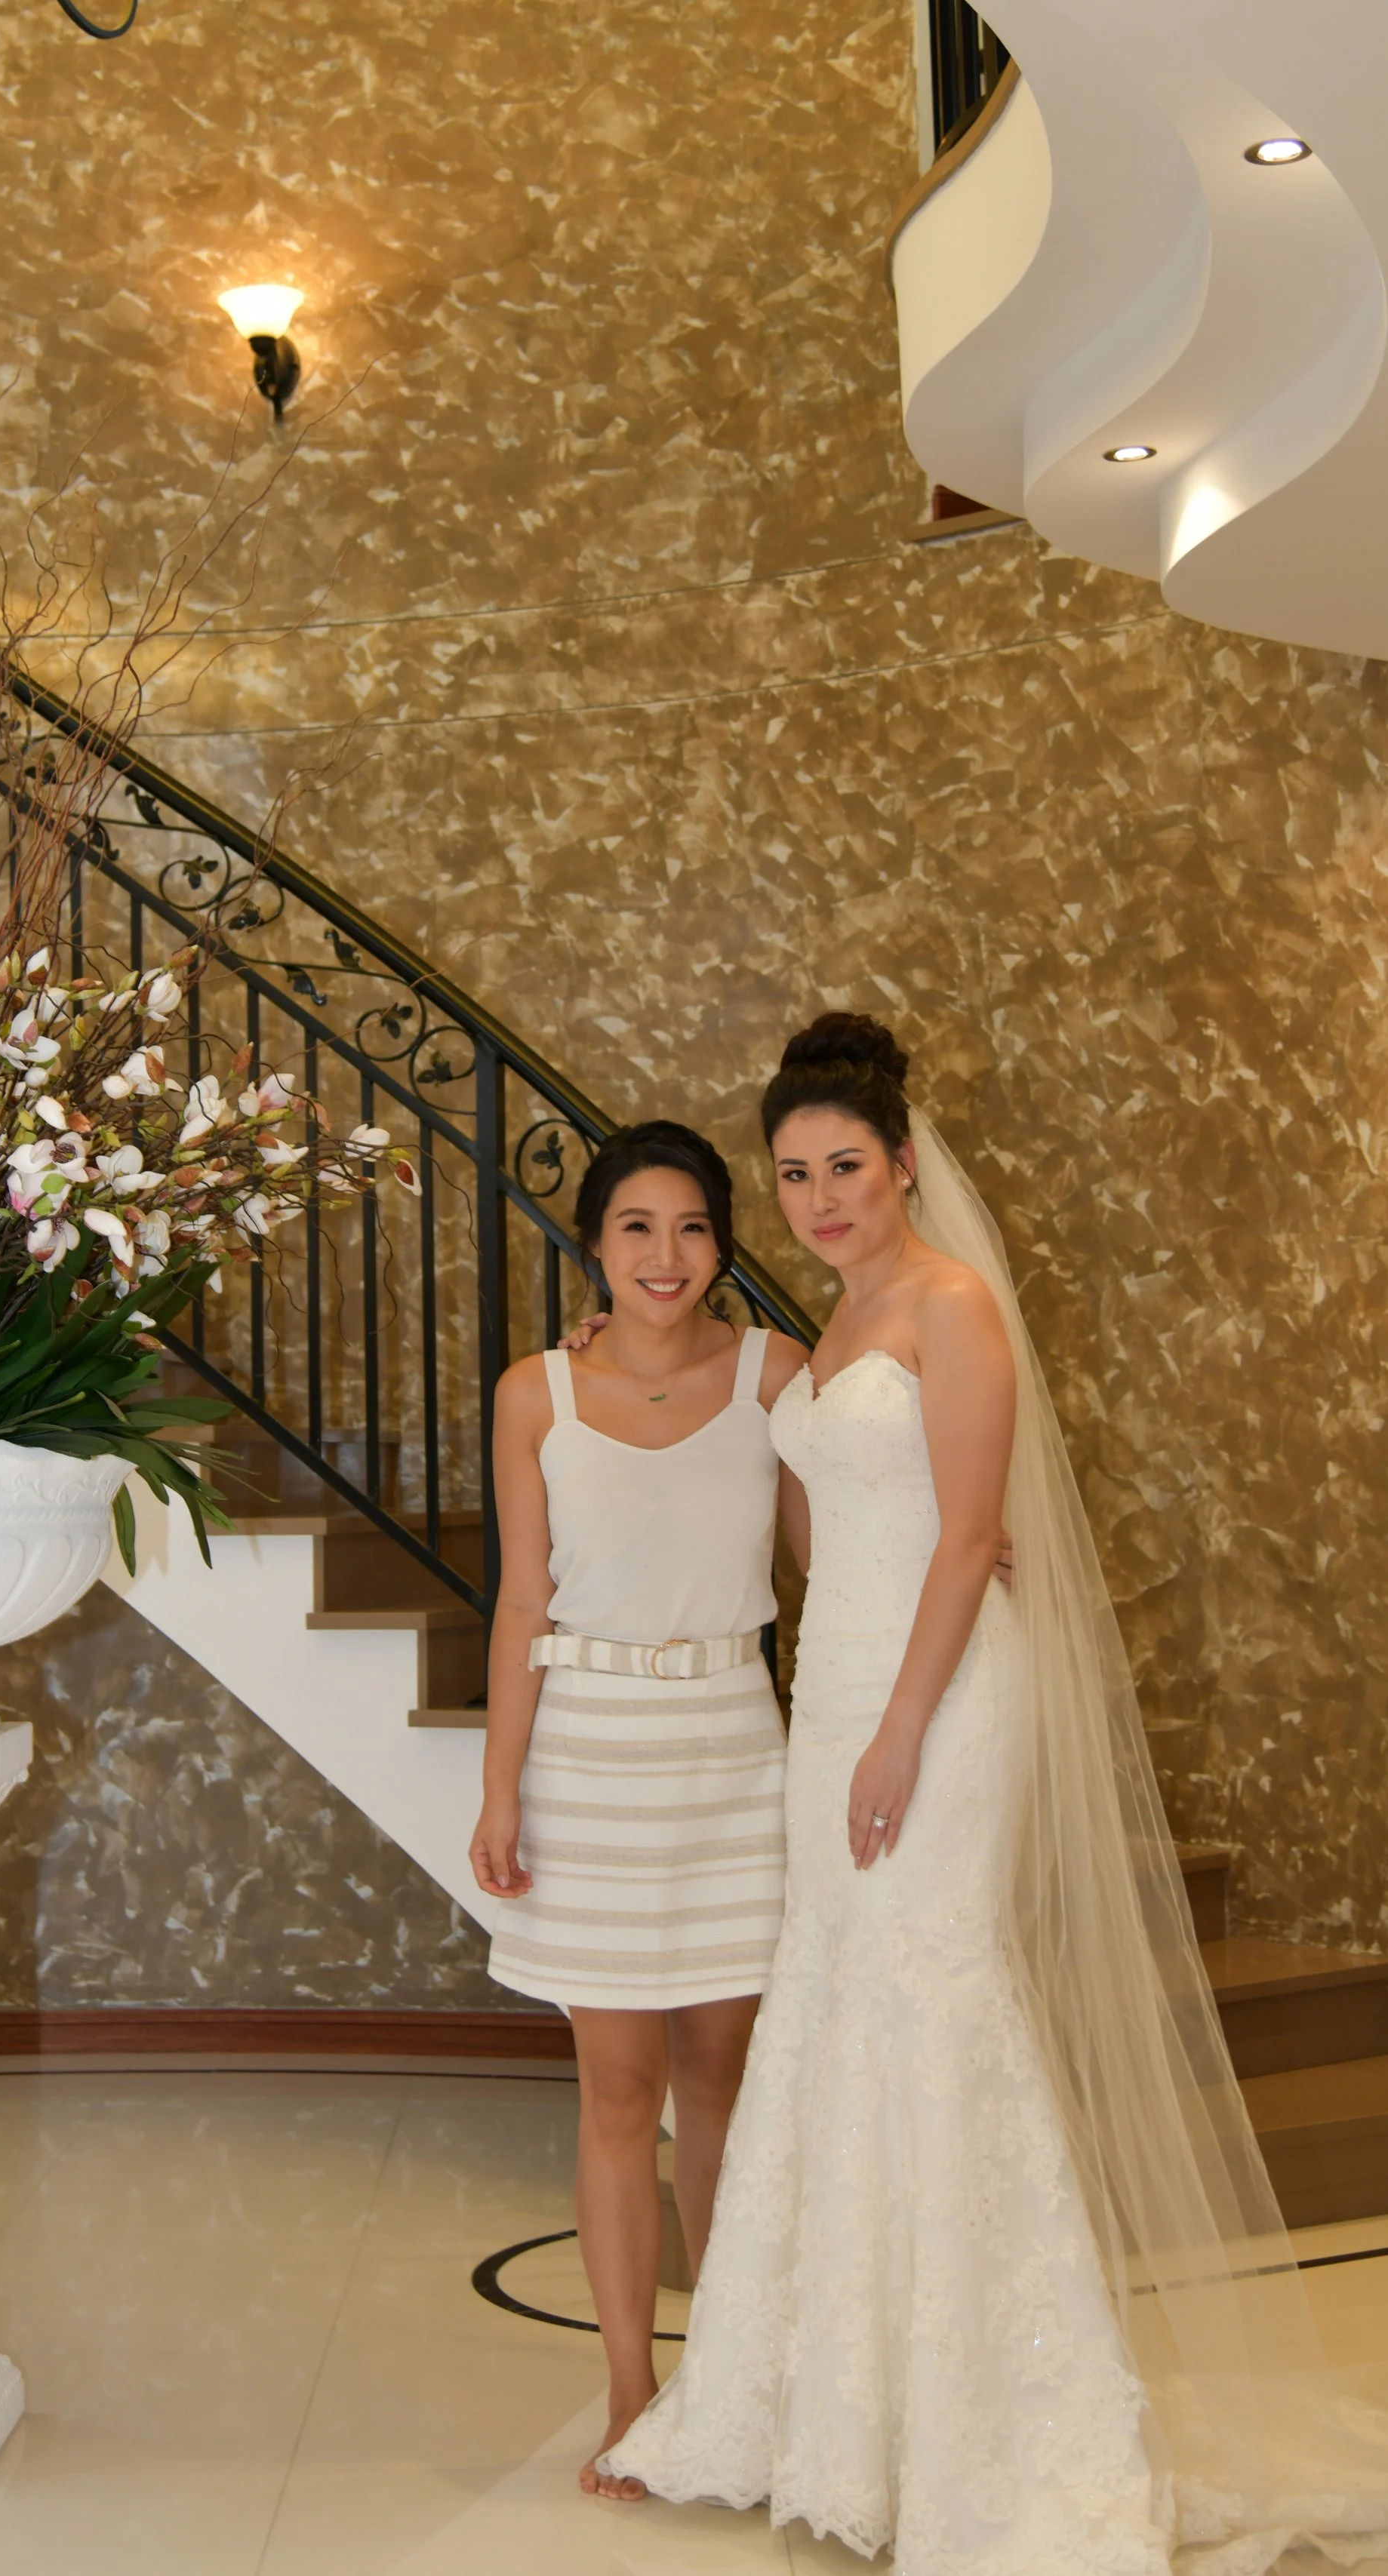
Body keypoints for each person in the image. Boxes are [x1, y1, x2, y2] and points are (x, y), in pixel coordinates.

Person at [599, 1013, 1388, 2574]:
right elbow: (837, 1531)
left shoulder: (952, 1304)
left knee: (934, 2000)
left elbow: (965, 1540)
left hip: (937, 1706)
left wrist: (900, 1725)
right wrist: (853, 1663)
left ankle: (993, 2421)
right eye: (794, 1177)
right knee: (835, 2008)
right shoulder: (828, 1330)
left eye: (843, 1168)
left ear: (902, 1166)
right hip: (834, 1687)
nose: (819, 1199)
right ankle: (843, 2405)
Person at [468, 1119, 808, 2495]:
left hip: (735, 1747)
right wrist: (499, 1787)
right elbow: (520, 1600)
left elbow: (837, 1552)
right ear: (594, 1245)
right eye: (635, 1228)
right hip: (588, 1753)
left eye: (691, 1228)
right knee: (619, 2089)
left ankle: (729, 2380)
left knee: (725, 2084)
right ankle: (629, 2382)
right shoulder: (533, 1392)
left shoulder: (780, 1375)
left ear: (722, 1245)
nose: (665, 1257)